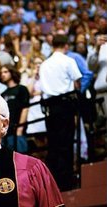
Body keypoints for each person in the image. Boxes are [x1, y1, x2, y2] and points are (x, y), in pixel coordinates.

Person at [39, 34, 82, 192]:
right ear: (66, 46)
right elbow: (77, 81)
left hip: (50, 107)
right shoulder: (68, 60)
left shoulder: (44, 64)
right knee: (66, 143)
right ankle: (66, 182)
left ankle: (53, 183)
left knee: (53, 144)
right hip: (65, 104)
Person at [1, 64, 30, 153]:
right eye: (1, 72)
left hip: (17, 130)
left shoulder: (22, 89)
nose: (3, 74)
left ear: (12, 73)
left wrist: (20, 129)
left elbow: (25, 109)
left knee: (21, 160)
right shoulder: (3, 94)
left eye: (5, 72)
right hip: (6, 132)